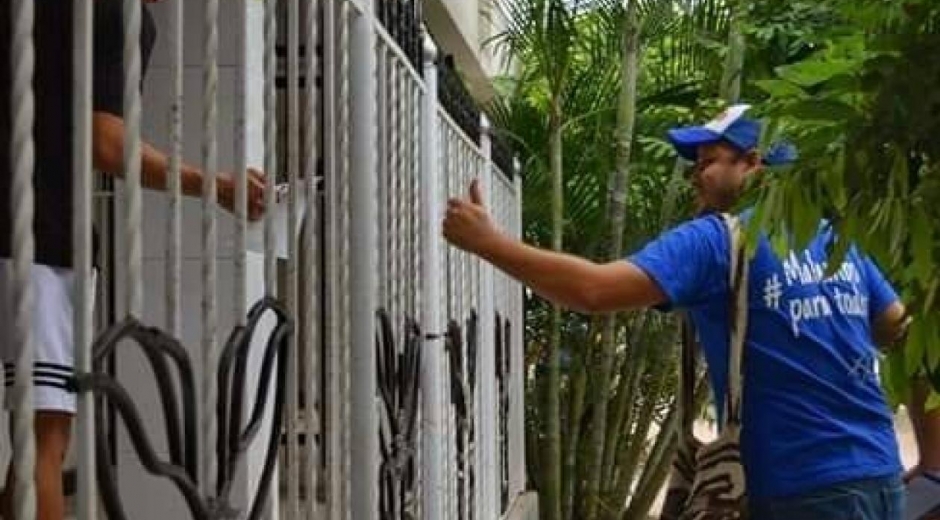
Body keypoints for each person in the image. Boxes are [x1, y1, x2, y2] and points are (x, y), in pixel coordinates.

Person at [443, 103, 911, 519]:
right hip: (879, 476)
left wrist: (490, 244)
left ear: (753, 165)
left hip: (798, 489)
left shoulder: (716, 240)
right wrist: (931, 462)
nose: (695, 175)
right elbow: (904, 331)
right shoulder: (835, 242)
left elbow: (594, 290)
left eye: (708, 162)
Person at [0, 1, 265, 519]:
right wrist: (214, 185)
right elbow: (107, 142)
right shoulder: (118, 14)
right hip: (38, 241)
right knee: (43, 448)